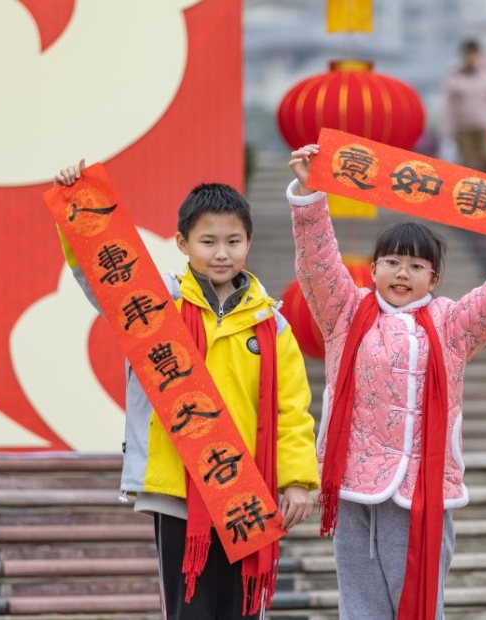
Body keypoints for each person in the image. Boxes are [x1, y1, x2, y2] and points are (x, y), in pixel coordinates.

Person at [286, 144, 486, 620]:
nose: (402, 272)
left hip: (423, 492)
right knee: (360, 608)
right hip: (353, 486)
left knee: (420, 607)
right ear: (374, 268)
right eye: (391, 262)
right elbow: (317, 264)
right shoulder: (345, 312)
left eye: (415, 265)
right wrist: (310, 196)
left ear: (435, 277)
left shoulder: (452, 324)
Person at [54, 160, 320, 620]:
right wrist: (77, 201)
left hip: (245, 491)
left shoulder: (272, 324)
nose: (222, 253)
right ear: (183, 243)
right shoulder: (159, 306)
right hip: (177, 489)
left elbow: (291, 410)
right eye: (209, 241)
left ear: (248, 243)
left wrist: (297, 479)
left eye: (233, 241)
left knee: (241, 611)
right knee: (187, 611)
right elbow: (103, 279)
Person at [441, 39, 486, 175]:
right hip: (464, 125)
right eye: (468, 54)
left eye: (473, 54)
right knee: (468, 162)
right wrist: (448, 130)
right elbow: (450, 105)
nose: (470, 57)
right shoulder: (455, 75)